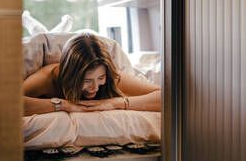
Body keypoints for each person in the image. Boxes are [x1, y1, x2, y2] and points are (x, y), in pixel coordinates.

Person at [23, 33, 161, 116]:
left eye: (100, 78)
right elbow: (9, 104)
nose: (95, 87)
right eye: (87, 80)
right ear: (71, 76)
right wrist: (63, 105)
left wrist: (116, 103)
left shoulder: (112, 77)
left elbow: (165, 97)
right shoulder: (49, 77)